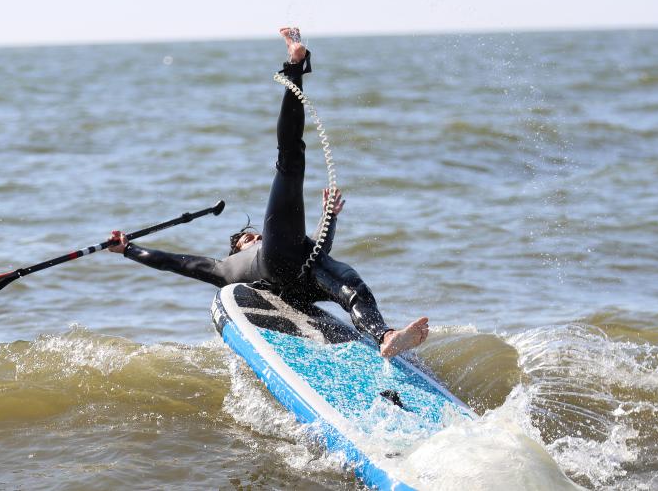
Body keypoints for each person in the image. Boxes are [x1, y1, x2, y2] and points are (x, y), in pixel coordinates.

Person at [109, 28, 428, 358]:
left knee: (350, 285)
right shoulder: (226, 269)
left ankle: (386, 336)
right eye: (247, 239)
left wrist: (329, 218)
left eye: (256, 235)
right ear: (236, 250)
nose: (255, 237)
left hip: (306, 278)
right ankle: (295, 67)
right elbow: (176, 263)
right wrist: (128, 249)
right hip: (278, 264)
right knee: (290, 161)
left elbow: (318, 247)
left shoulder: (284, 246)